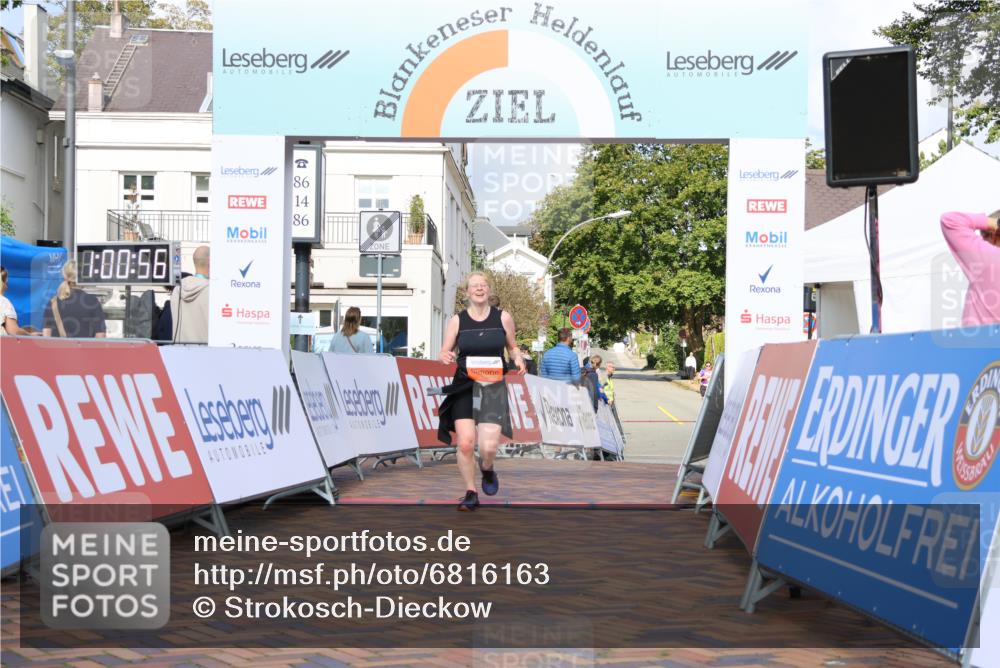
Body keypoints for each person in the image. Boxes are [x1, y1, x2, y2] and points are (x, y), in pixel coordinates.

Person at [437, 272, 526, 511]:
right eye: (474, 286)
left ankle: (487, 468)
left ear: (489, 290)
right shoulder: (457, 320)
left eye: (483, 285)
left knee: (488, 447)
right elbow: (444, 351)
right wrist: (444, 355)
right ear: (467, 292)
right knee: (466, 443)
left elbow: (513, 347)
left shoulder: (503, 317)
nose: (479, 289)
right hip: (464, 384)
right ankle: (471, 491)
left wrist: (518, 358)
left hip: (492, 386)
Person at [941, 210, 1000, 326]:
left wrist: (996, 222)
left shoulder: (988, 257)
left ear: (993, 234)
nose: (982, 240)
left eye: (983, 236)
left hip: (979, 336)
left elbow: (950, 220)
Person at [43, 261, 107, 338]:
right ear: (83, 277)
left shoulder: (52, 303)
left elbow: (46, 336)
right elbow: (100, 335)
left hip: (57, 346)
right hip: (85, 346)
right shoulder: (92, 301)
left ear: (65, 276)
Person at [171, 245, 210, 343]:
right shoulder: (212, 291)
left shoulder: (177, 290)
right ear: (211, 262)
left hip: (180, 350)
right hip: (207, 350)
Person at [1, 267, 31, 335]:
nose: (7, 287)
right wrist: (31, 335)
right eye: (6, 282)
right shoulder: (4, 302)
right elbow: (14, 331)